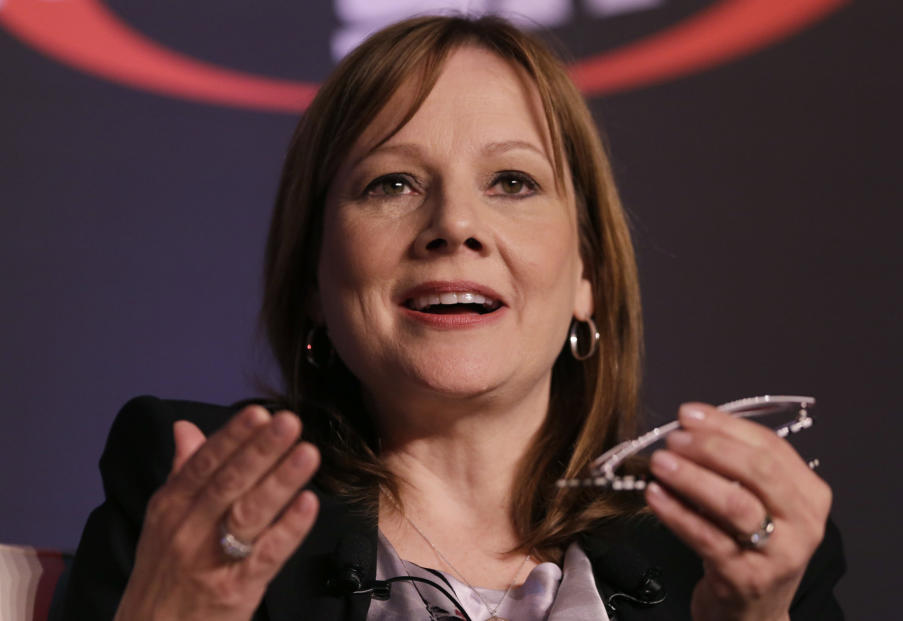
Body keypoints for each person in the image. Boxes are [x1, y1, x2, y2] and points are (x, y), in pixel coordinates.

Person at [58, 14, 844, 621]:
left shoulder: (729, 560)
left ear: (586, 278)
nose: (454, 224)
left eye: (511, 181)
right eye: (391, 183)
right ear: (311, 280)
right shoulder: (192, 494)